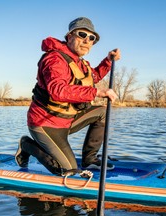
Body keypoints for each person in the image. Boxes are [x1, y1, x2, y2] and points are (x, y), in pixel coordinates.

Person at [15, 17, 121, 176]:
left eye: (91, 38)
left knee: (102, 112)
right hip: (45, 123)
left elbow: (94, 77)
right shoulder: (54, 59)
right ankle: (27, 145)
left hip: (67, 119)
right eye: (82, 35)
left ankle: (89, 160)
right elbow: (58, 90)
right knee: (68, 171)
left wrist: (108, 61)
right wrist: (97, 92)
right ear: (69, 36)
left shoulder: (79, 62)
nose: (87, 41)